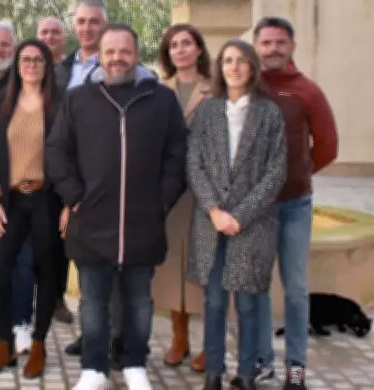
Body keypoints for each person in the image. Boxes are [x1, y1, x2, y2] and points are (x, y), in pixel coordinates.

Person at [46, 24, 187, 390]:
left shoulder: (161, 99)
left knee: (139, 301)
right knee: (93, 302)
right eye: (109, 52)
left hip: (143, 222)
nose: (117, 58)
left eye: (125, 51)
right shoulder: (79, 99)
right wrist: (74, 195)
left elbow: (177, 155)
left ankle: (134, 363)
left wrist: (161, 200)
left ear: (136, 55)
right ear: (100, 56)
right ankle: (94, 368)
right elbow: (57, 152)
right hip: (91, 221)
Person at [187, 39, 287, 390]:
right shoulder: (207, 112)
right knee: (214, 301)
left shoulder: (269, 113)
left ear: (252, 67)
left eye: (241, 60)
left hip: (253, 224)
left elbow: (276, 172)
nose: (234, 67)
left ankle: (246, 373)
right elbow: (194, 165)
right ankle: (213, 372)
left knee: (247, 303)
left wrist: (239, 216)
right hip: (210, 221)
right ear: (219, 67)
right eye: (227, 60)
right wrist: (215, 211)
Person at [251, 17, 338, 389]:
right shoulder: (245, 87)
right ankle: (261, 362)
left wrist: (298, 172)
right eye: (266, 42)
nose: (273, 49)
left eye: (280, 42)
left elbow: (328, 147)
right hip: (254, 209)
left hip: (294, 207)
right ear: (256, 47)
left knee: (296, 289)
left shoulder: (308, 92)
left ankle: (296, 368)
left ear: (292, 47)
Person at [0, 39, 65, 379]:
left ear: (47, 66)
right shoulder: (4, 101)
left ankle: (39, 343)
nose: (31, 65)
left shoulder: (60, 103)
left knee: (47, 271)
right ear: (17, 64)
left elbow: (70, 154)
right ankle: (4, 344)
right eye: (25, 59)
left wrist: (69, 204)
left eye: (38, 60)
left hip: (46, 198)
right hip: (11, 200)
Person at [152, 23, 212, 372]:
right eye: (173, 45)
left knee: (204, 266)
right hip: (171, 189)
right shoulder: (159, 90)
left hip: (207, 190)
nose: (180, 50)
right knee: (173, 265)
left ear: (199, 49)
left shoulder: (217, 89)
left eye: (186, 43)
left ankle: (209, 345)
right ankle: (179, 340)